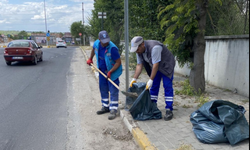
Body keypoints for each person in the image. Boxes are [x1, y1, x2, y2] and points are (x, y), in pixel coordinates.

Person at [129, 36, 175, 121]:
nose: (137, 51)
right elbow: (139, 65)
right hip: (156, 66)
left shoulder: (155, 47)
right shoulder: (139, 51)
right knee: (154, 86)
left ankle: (169, 109)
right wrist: (134, 79)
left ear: (142, 44)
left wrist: (150, 79)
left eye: (137, 49)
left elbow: (156, 65)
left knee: (167, 86)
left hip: (166, 65)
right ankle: (152, 106)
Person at [87, 30, 122, 120]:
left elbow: (118, 62)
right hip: (101, 71)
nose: (106, 42)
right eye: (104, 41)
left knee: (113, 90)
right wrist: (90, 58)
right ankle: (105, 106)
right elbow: (93, 50)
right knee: (103, 88)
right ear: (99, 39)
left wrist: (110, 72)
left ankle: (113, 109)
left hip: (113, 71)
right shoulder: (96, 44)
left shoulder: (112, 48)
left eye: (107, 40)